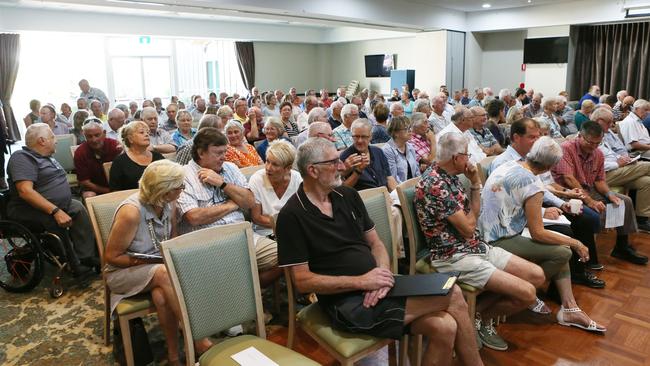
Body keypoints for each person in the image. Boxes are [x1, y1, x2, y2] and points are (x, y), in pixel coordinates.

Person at [276, 137, 484, 366]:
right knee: (453, 295)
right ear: (313, 171)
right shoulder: (291, 215)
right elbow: (303, 281)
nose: (342, 166)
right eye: (334, 162)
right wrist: (362, 281)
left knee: (445, 326)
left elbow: (376, 244)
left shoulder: (348, 196)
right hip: (345, 302)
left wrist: (383, 275)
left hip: (379, 284)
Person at [416, 132, 546, 350]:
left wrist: (475, 183)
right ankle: (482, 320)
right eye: (467, 155)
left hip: (474, 246)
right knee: (528, 293)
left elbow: (472, 216)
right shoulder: (434, 184)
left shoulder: (451, 178)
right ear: (457, 158)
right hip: (452, 256)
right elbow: (468, 228)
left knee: (537, 276)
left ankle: (475, 315)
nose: (470, 159)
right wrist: (470, 220)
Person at [480, 136, 606, 333]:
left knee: (560, 246)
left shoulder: (513, 164)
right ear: (550, 166)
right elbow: (538, 233)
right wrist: (576, 243)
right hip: (497, 240)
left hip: (492, 231)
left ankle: (569, 307)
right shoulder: (532, 183)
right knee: (563, 251)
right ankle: (518, 292)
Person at [103, 160, 212, 365]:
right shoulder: (131, 212)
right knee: (163, 273)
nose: (183, 189)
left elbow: (171, 241)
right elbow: (111, 257)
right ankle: (197, 339)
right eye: (179, 186)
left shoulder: (169, 203)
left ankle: (172, 356)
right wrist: (146, 261)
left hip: (158, 272)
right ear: (164, 190)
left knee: (162, 296)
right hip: (122, 272)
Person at [177, 128, 280, 285]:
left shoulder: (230, 168)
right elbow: (194, 217)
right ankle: (241, 295)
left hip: (244, 237)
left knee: (286, 256)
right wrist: (232, 204)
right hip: (208, 245)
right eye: (218, 153)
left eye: (225, 151)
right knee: (228, 268)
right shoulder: (183, 175)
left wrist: (222, 183)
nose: (223, 157)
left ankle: (250, 292)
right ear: (201, 153)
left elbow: (249, 202)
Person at [7, 124, 99, 276]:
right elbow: (25, 191)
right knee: (53, 220)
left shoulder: (46, 157)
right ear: (42, 140)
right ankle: (71, 263)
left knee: (78, 208)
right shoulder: (22, 158)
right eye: (52, 137)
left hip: (59, 204)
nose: (55, 141)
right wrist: (55, 211)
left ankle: (86, 256)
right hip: (28, 209)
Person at [552, 121, 648, 265]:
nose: (594, 147)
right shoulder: (566, 148)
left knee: (624, 201)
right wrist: (590, 201)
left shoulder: (598, 153)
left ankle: (621, 247)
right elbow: (568, 178)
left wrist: (609, 194)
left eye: (598, 143)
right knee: (594, 209)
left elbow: (599, 181)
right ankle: (587, 254)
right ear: (580, 136)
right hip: (568, 192)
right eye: (590, 142)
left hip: (589, 189)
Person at [592, 107, 650, 231]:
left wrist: (624, 159)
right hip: (604, 175)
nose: (611, 125)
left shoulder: (605, 133)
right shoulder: (591, 136)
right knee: (648, 166)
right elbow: (596, 164)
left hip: (617, 169)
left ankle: (642, 219)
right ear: (599, 121)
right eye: (608, 122)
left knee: (646, 182)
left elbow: (612, 153)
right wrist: (618, 163)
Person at [249, 140, 302, 238]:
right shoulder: (257, 179)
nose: (268, 168)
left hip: (294, 230)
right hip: (265, 232)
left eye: (275, 164)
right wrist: (286, 225)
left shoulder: (297, 179)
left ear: (288, 168)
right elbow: (256, 218)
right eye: (267, 161)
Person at [340, 119, 397, 192]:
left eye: (364, 137)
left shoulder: (378, 151)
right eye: (356, 136)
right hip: (365, 200)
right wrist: (358, 171)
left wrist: (397, 195)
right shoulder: (346, 157)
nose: (360, 140)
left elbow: (389, 177)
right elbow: (343, 190)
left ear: (371, 136)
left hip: (385, 196)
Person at [109, 121, 165, 191]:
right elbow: (115, 190)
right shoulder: (120, 162)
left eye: (148, 132)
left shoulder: (157, 156)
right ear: (130, 139)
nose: (147, 135)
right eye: (142, 132)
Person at [73, 119, 121, 198]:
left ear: (104, 133)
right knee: (89, 195)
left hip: (118, 186)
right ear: (85, 137)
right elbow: (85, 182)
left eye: (97, 135)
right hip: (94, 188)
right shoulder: (80, 152)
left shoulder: (115, 146)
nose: (94, 140)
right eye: (89, 136)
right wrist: (109, 191)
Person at [382, 116, 420, 184]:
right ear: (395, 133)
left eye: (410, 127)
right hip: (399, 189)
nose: (410, 130)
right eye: (406, 129)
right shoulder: (387, 150)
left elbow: (417, 172)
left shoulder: (410, 147)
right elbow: (393, 178)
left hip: (413, 187)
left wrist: (420, 185)